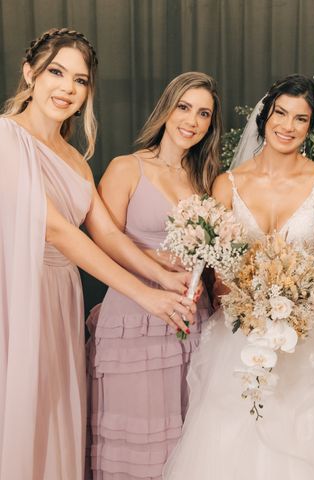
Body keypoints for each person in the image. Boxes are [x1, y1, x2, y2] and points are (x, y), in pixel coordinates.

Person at [163, 74, 314, 479]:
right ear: (264, 118)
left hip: (307, 338)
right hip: (239, 335)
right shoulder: (227, 184)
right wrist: (248, 303)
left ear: (311, 126)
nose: (288, 126)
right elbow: (218, 268)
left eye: (300, 119)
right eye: (281, 114)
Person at [0, 28, 194, 479]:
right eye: (56, 72)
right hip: (18, 291)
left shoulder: (74, 158)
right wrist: (147, 297)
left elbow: (105, 232)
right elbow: (58, 233)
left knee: (53, 409)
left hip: (59, 295)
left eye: (81, 80)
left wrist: (163, 276)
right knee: (21, 405)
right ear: (30, 73)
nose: (68, 88)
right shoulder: (6, 138)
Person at [86, 72, 221, 479]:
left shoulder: (205, 181)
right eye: (184, 107)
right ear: (166, 109)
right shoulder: (127, 168)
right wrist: (160, 269)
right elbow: (102, 239)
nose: (192, 121)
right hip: (134, 317)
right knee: (138, 438)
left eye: (203, 114)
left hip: (190, 319)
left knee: (187, 436)